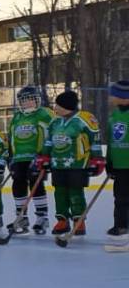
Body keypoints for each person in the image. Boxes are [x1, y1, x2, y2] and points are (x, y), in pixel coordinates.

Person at [44, 90, 102, 237]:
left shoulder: (85, 119)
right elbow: (49, 141)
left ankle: (79, 220)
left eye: (58, 105)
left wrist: (97, 158)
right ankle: (62, 220)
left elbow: (94, 140)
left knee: (75, 192)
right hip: (58, 164)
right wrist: (43, 156)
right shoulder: (54, 122)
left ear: (67, 106)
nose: (55, 108)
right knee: (60, 193)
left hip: (78, 163)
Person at [6, 85, 54, 234]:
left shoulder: (45, 114)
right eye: (24, 100)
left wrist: (46, 155)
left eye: (31, 100)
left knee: (36, 184)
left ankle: (42, 217)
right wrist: (10, 156)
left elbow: (51, 134)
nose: (27, 103)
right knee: (18, 184)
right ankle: (22, 217)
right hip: (19, 157)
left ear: (37, 100)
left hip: (37, 157)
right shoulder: (17, 117)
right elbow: (11, 137)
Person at [106, 80, 129, 245]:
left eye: (114, 94)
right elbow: (111, 141)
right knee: (120, 197)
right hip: (119, 165)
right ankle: (120, 226)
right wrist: (110, 162)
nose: (110, 97)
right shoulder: (113, 116)